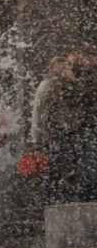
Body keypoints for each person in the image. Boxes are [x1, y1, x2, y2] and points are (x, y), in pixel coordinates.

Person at [30, 50, 97, 201]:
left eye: (67, 65)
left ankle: (83, 200)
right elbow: (38, 113)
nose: (64, 68)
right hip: (58, 135)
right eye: (62, 65)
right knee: (61, 171)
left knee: (85, 170)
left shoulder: (81, 82)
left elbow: (88, 101)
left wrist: (73, 80)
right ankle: (61, 201)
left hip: (80, 132)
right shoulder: (48, 85)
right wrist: (37, 139)